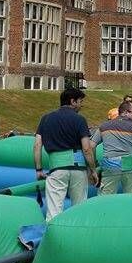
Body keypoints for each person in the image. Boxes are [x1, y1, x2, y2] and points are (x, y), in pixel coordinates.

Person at [33, 88, 98, 221]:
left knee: (54, 211)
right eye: (80, 101)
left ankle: (53, 232)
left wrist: (39, 169)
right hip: (78, 169)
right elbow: (87, 148)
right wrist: (93, 170)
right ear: (72, 101)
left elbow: (37, 145)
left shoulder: (46, 119)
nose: (81, 105)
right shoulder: (80, 119)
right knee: (79, 209)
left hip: (57, 168)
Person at [91, 101, 132, 195]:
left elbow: (91, 146)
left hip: (110, 165)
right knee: (131, 197)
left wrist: (94, 164)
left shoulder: (104, 126)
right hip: (130, 164)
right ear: (125, 112)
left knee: (105, 197)